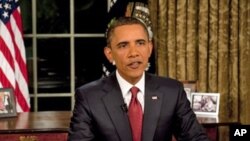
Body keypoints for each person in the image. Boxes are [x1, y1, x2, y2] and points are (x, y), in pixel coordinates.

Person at [68, 17, 209, 141]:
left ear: (149, 48)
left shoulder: (172, 91)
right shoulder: (89, 97)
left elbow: (196, 137)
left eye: (140, 43)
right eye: (123, 45)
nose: (133, 53)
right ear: (109, 54)